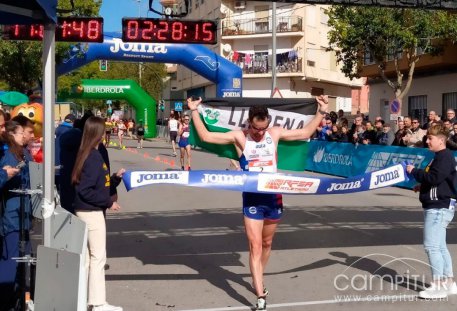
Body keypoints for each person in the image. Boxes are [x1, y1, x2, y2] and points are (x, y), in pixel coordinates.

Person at [187, 95, 329, 311]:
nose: (260, 133)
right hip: (252, 198)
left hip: (274, 197)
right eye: (256, 129)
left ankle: (257, 276)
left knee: (266, 244)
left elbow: (305, 132)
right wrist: (194, 111)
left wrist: (322, 111)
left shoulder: (274, 133)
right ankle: (260, 293)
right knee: (254, 246)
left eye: (263, 128)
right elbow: (206, 136)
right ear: (249, 123)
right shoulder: (240, 137)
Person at [71, 116, 124, 311]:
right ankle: (98, 302)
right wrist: (109, 202)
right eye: (103, 130)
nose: (105, 133)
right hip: (91, 212)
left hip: (86, 210)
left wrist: (115, 179)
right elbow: (85, 190)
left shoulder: (88, 153)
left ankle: (85, 300)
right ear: (97, 133)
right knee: (98, 257)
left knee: (88, 259)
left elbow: (96, 184)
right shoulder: (93, 156)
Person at [406, 124, 457, 299]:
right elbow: (438, 180)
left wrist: (414, 172)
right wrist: (422, 186)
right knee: (440, 247)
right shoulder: (440, 157)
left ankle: (438, 286)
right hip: (439, 205)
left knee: (431, 247)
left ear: (441, 140)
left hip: (438, 207)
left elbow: (435, 178)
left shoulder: (444, 157)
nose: (427, 141)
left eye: (430, 138)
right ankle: (449, 283)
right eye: (427, 137)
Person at [0, 121, 32, 310]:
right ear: (12, 134)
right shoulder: (8, 157)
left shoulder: (23, 153)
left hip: (23, 214)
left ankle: (18, 299)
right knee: (11, 260)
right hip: (13, 216)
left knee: (23, 259)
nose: (24, 136)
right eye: (21, 133)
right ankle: (5, 300)